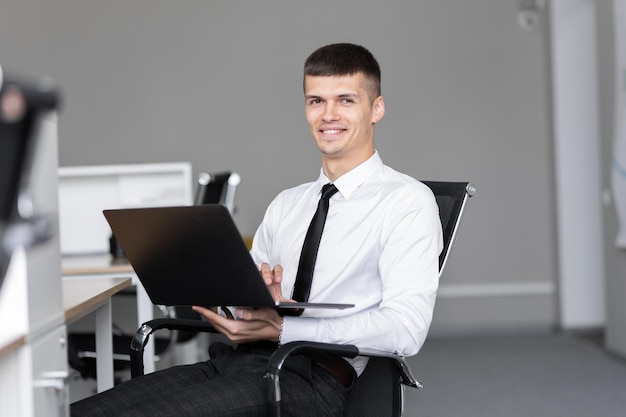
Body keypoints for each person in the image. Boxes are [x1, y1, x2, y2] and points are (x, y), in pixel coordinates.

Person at [71, 42, 442, 417]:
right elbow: (242, 298)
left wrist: (283, 329)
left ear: (376, 108)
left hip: (311, 380)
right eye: (316, 101)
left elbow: (405, 329)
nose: (328, 114)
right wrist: (249, 306)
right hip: (236, 362)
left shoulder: (406, 201)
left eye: (345, 100)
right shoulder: (287, 204)